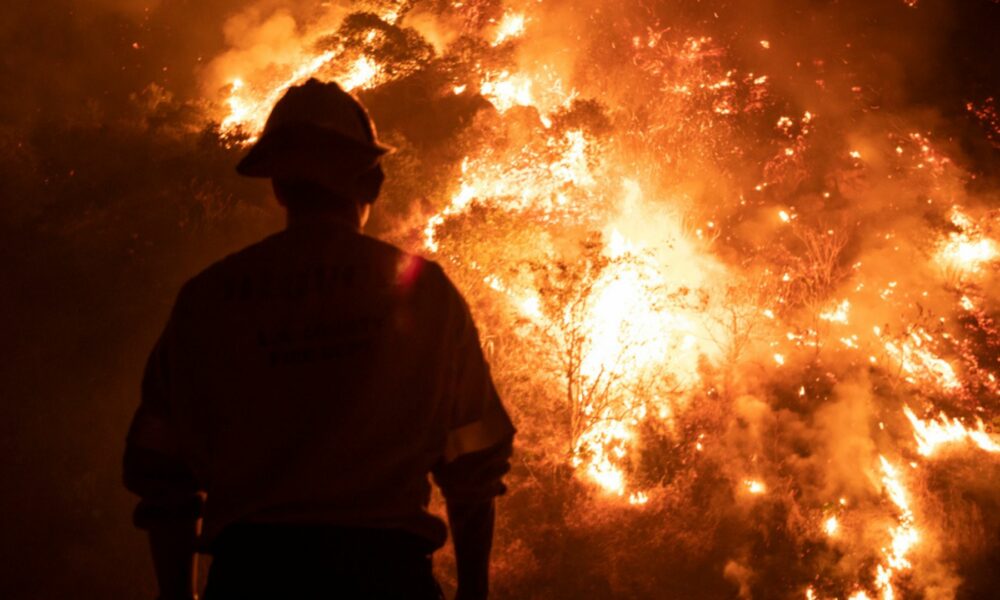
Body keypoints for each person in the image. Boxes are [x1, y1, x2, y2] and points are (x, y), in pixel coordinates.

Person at [123, 79, 516, 600]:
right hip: (384, 579)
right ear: (370, 182)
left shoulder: (207, 300)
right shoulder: (425, 294)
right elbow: (474, 460)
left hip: (252, 580)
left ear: (278, 186)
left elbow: (160, 471)